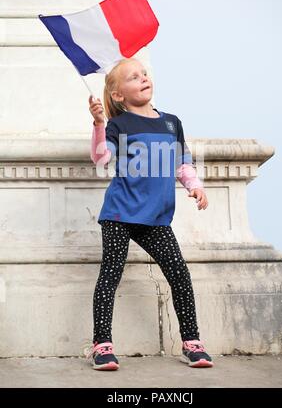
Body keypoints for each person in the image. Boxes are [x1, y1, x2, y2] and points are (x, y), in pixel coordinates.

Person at [87, 57, 213, 370]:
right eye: (133, 77)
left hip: (155, 218)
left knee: (179, 274)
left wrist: (194, 185)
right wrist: (99, 124)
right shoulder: (119, 125)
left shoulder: (171, 122)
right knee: (110, 275)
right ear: (118, 95)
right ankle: (102, 345)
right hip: (119, 214)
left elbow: (183, 162)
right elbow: (102, 158)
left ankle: (192, 342)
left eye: (144, 73)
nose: (143, 78)